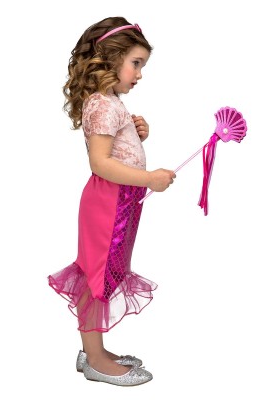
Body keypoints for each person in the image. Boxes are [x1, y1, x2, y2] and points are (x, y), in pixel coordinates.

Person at [47, 16, 176, 386]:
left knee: (108, 273)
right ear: (110, 59)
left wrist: (136, 136)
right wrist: (150, 178)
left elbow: (116, 153)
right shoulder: (103, 105)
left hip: (122, 201)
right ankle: (95, 359)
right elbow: (100, 163)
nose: (140, 74)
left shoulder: (111, 102)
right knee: (97, 278)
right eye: (136, 63)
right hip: (109, 202)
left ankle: (94, 350)